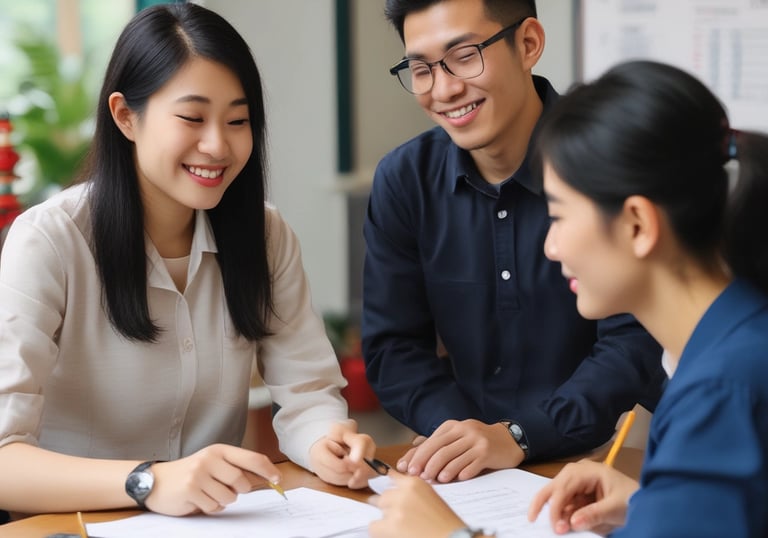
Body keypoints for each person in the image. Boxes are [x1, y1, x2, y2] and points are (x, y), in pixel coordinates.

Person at [0, 3, 375, 518]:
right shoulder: (49, 241)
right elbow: (4, 459)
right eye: (192, 118)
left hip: (215, 523)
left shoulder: (265, 235)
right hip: (73, 526)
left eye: (238, 120)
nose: (218, 144)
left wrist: (327, 444)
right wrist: (147, 481)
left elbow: (307, 394)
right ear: (125, 116)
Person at [369, 60, 768, 537]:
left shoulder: (718, 392)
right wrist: (650, 508)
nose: (551, 246)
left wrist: (448, 534)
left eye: (558, 216)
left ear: (638, 225)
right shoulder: (737, 339)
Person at [362, 0, 664, 484]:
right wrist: (465, 435)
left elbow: (633, 337)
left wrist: (520, 435)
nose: (444, 89)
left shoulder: (608, 160)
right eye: (421, 69)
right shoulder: (405, 180)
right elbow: (393, 347)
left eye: (464, 56)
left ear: (528, 44)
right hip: (471, 472)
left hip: (606, 457)